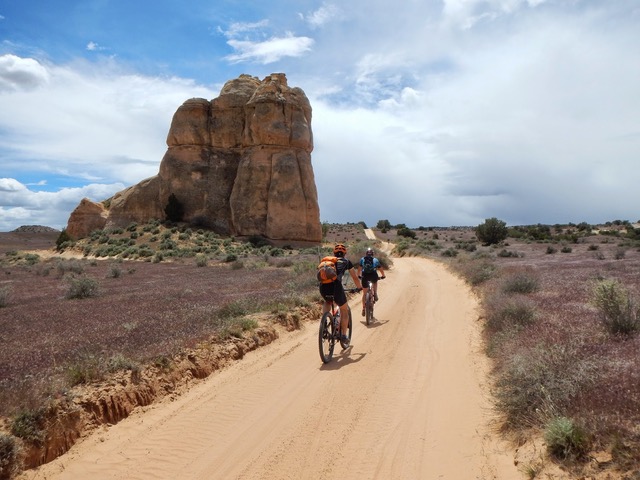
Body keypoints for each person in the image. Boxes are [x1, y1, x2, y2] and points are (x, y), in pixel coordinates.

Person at [319, 243, 362, 346]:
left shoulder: (327, 262)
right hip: (336, 287)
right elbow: (355, 277)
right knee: (344, 310)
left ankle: (324, 325)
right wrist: (359, 287)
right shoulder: (346, 262)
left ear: (334, 253)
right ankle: (343, 335)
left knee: (328, 302)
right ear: (345, 253)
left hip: (323, 287)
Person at [358, 247, 386, 316]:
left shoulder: (362, 259)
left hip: (364, 276)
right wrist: (383, 275)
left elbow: (359, 269)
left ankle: (364, 309)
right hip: (373, 275)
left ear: (366, 254)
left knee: (364, 294)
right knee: (375, 281)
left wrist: (359, 275)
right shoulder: (375, 260)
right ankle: (375, 293)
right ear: (372, 254)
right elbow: (380, 269)